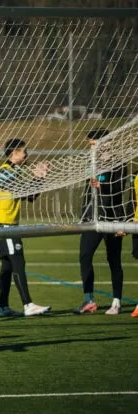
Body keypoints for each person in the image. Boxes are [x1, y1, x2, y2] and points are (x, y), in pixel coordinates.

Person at [0, 138, 51, 317]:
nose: (26, 154)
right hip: (2, 224)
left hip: (9, 224)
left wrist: (40, 178)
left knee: (8, 266)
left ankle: (3, 307)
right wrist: (36, 178)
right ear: (14, 152)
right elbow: (19, 190)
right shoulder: (4, 171)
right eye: (24, 151)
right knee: (18, 262)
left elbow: (31, 197)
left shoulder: (15, 172)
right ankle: (28, 305)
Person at [75, 129, 127, 316]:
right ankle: (89, 299)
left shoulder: (119, 163)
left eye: (93, 143)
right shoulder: (90, 162)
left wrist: (102, 186)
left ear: (105, 143)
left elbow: (119, 189)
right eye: (89, 144)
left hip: (112, 218)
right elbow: (87, 192)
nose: (91, 147)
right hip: (92, 219)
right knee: (84, 256)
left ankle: (116, 302)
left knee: (114, 260)